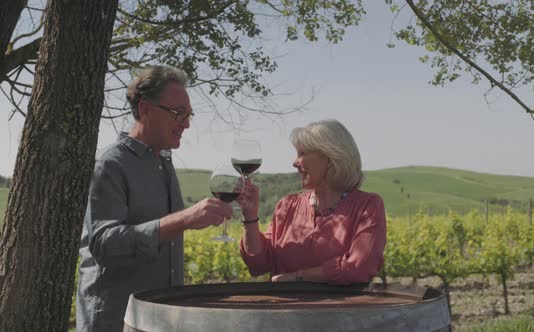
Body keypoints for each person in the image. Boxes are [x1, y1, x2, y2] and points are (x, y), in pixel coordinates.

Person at [76, 65, 232, 332]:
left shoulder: (163, 163)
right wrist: (183, 219)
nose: (186, 123)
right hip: (116, 319)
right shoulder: (110, 164)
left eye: (188, 114)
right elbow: (103, 244)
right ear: (146, 109)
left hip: (160, 319)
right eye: (178, 113)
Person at [238, 119, 386, 285]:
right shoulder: (287, 206)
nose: (294, 162)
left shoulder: (366, 206)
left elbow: (360, 267)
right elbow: (258, 264)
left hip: (340, 310)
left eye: (302, 153)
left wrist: (297, 277)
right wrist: (249, 216)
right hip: (285, 310)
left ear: (331, 157)